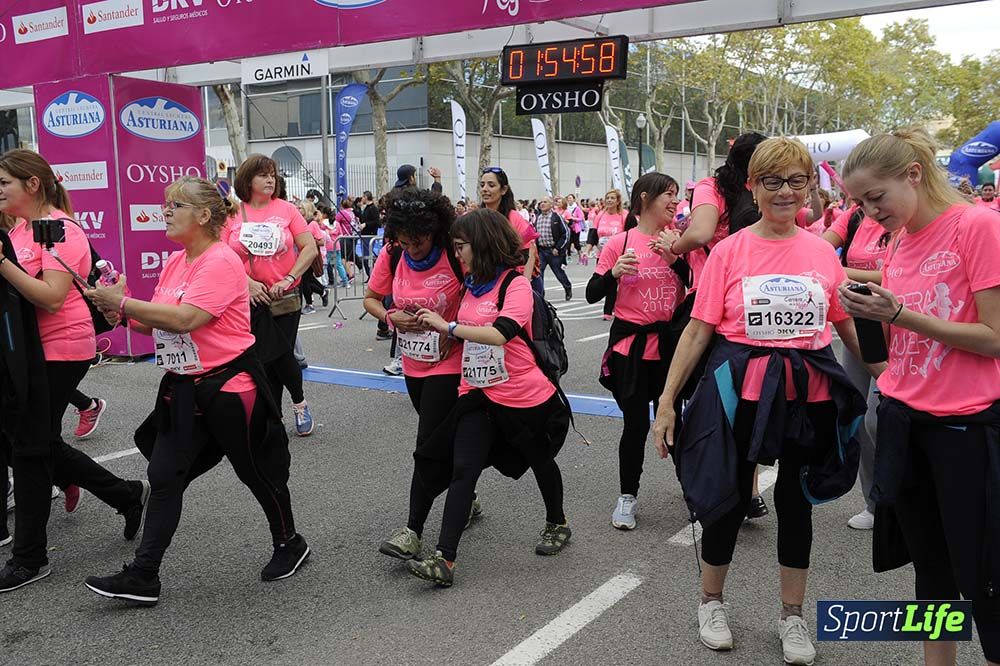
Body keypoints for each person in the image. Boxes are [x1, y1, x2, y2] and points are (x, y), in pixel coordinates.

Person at [651, 138, 874, 665]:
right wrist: (666, 403)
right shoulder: (730, 251)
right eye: (771, 181)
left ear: (810, 188)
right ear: (752, 186)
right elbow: (698, 333)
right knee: (727, 502)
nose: (784, 191)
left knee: (797, 507)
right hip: (740, 395)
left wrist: (893, 376)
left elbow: (846, 327)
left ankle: (792, 617)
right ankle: (711, 602)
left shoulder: (822, 251)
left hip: (808, 394)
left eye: (796, 180)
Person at [83, 176, 308, 605]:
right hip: (184, 388)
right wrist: (118, 310)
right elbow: (156, 323)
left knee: (256, 473)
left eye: (176, 205)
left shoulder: (221, 261)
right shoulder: (176, 261)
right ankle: (144, 575)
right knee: (164, 476)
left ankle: (290, 542)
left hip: (230, 388)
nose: (165, 211)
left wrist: (123, 303)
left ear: (204, 215)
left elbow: (186, 318)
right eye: (165, 204)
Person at [839, 129, 1000, 666]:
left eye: (874, 197)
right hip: (906, 419)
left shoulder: (977, 226)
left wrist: (899, 314)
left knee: (985, 573)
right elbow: (900, 322)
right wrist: (865, 303)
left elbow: (995, 337)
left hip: (967, 427)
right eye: (859, 202)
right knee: (930, 569)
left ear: (913, 173)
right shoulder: (901, 237)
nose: (867, 211)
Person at [0, 149, 148, 594]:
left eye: (4, 182)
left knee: (29, 449)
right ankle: (125, 494)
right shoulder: (22, 229)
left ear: (31, 184)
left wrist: (2, 264)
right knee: (34, 443)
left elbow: (50, 297)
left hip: (61, 348)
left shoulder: (58, 229)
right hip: (26, 351)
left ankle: (29, 558)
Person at [405, 208, 572, 587]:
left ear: (480, 245)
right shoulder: (471, 285)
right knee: (463, 469)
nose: (457, 254)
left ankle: (557, 521)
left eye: (461, 246)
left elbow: (501, 333)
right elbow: (468, 331)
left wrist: (448, 325)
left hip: (523, 396)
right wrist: (443, 332)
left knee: (540, 462)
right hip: (477, 395)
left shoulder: (515, 285)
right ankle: (445, 559)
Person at [363, 187, 483, 562]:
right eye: (404, 240)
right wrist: (388, 316)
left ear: (435, 230)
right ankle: (468, 494)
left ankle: (412, 530)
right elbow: (370, 298)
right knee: (438, 438)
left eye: (419, 240)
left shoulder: (452, 253)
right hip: (413, 362)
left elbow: (481, 292)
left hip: (450, 359)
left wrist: (455, 327)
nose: (412, 247)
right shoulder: (393, 253)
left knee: (426, 440)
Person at [667, 131, 773, 519]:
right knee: (747, 401)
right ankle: (749, 490)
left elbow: (700, 233)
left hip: (710, 298)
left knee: (700, 401)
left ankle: (702, 484)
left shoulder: (712, 186)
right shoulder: (764, 187)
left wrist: (673, 247)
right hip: (756, 302)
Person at [586, 173, 687, 530]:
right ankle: (627, 497)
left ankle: (693, 494)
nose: (675, 202)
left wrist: (675, 257)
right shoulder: (621, 241)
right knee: (633, 426)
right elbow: (592, 293)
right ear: (646, 198)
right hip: (631, 349)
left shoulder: (680, 240)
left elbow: (697, 283)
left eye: (678, 196)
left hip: (672, 349)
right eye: (669, 195)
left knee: (676, 421)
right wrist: (613, 272)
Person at [222, 154, 316, 437]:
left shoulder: (287, 210)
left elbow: (309, 248)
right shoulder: (234, 214)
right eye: (263, 174)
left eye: (273, 174)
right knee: (264, 358)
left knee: (281, 354)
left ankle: (298, 404)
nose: (270, 179)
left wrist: (289, 278)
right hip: (249, 297)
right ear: (247, 180)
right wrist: (248, 283)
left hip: (284, 296)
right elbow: (223, 255)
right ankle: (273, 414)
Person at [822, 201, 896, 530]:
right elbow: (820, 248)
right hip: (859, 329)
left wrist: (841, 273)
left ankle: (901, 499)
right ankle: (874, 502)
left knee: (878, 419)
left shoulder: (907, 215)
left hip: (901, 331)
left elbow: (892, 273)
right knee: (856, 415)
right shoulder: (853, 215)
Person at [478, 167, 539, 292]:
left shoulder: (515, 219)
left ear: (504, 189)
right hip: (482, 284)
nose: (485, 189)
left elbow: (529, 256)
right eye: (482, 185)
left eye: (491, 185)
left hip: (514, 284)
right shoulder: (474, 219)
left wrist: (523, 288)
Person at [593, 189, 628, 321]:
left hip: (620, 255)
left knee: (620, 282)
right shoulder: (600, 215)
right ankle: (609, 308)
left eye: (612, 198)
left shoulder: (624, 216)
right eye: (607, 198)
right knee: (607, 281)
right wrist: (587, 250)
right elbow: (592, 234)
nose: (609, 200)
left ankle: (610, 308)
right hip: (602, 255)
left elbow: (630, 234)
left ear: (618, 201)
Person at [532, 197, 572, 301]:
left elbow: (566, 234)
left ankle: (567, 288)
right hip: (541, 251)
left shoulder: (556, 217)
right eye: (541, 202)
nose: (542, 204)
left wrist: (558, 248)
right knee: (539, 273)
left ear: (551, 205)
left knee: (558, 272)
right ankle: (541, 296)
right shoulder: (538, 217)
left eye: (545, 202)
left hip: (553, 251)